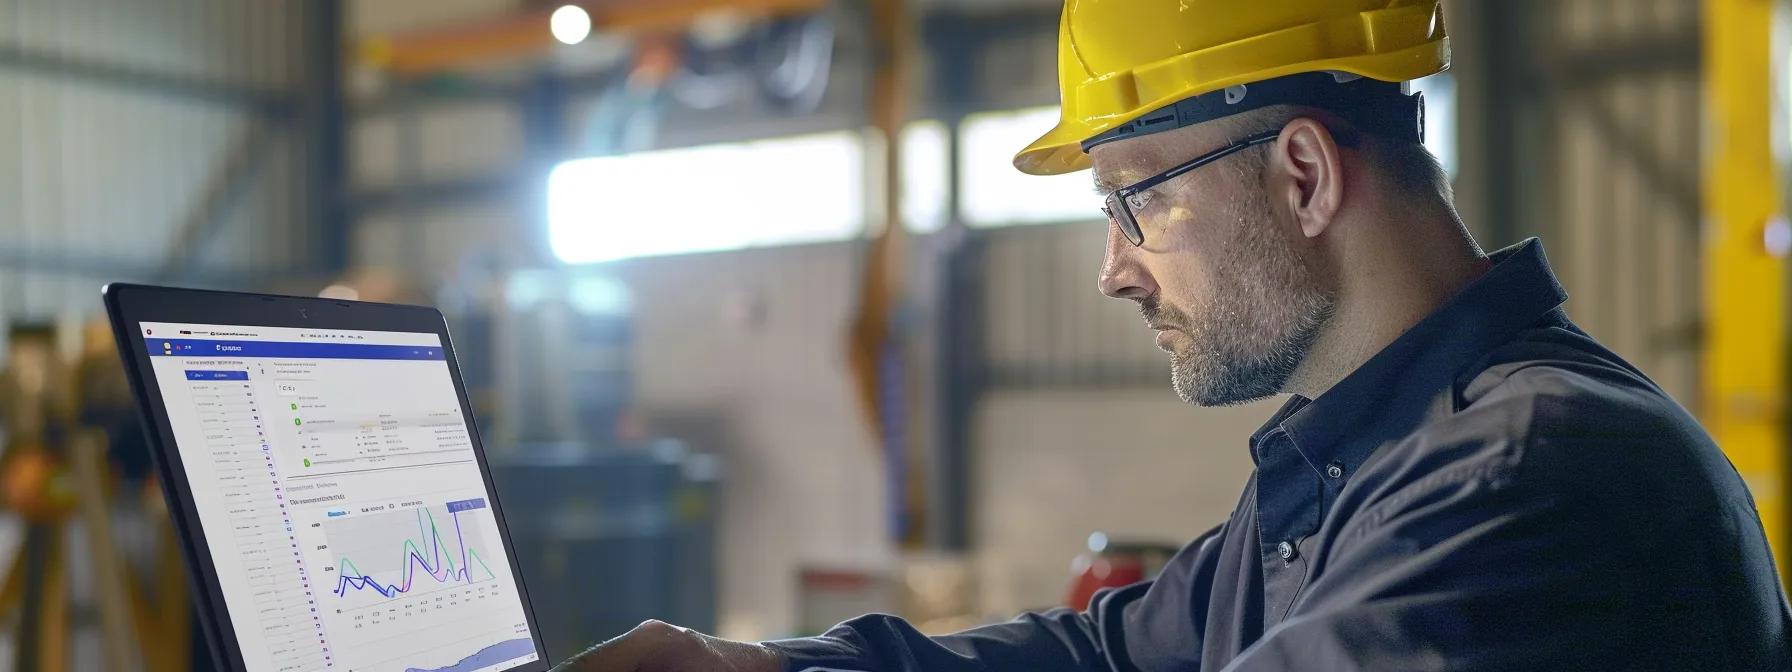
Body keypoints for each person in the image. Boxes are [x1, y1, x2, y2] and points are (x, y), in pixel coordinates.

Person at [554, 1, 1792, 670]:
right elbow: (1107, 657)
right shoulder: (1363, 460)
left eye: (1137, 199)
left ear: (1303, 174)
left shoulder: (1531, 476)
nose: (1113, 270)